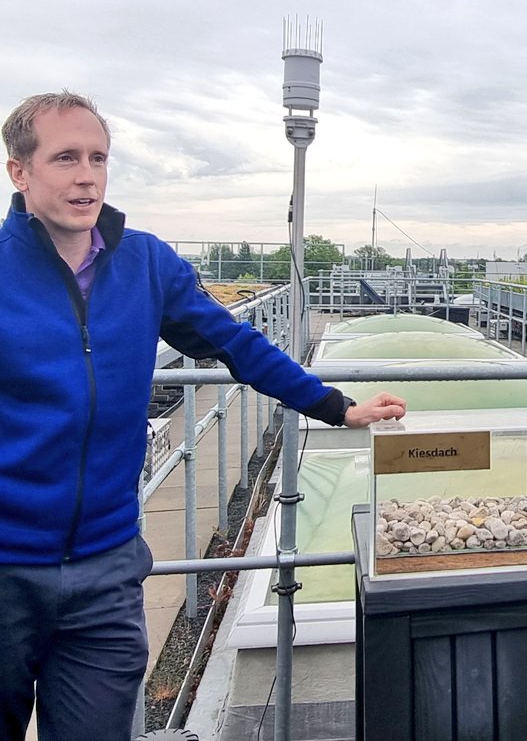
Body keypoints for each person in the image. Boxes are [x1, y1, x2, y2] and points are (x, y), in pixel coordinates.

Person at [0, 90, 406, 741]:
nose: (86, 176)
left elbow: (236, 345)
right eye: (65, 158)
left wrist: (336, 407)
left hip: (105, 571)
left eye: (98, 158)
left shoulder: (147, 264)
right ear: (20, 172)